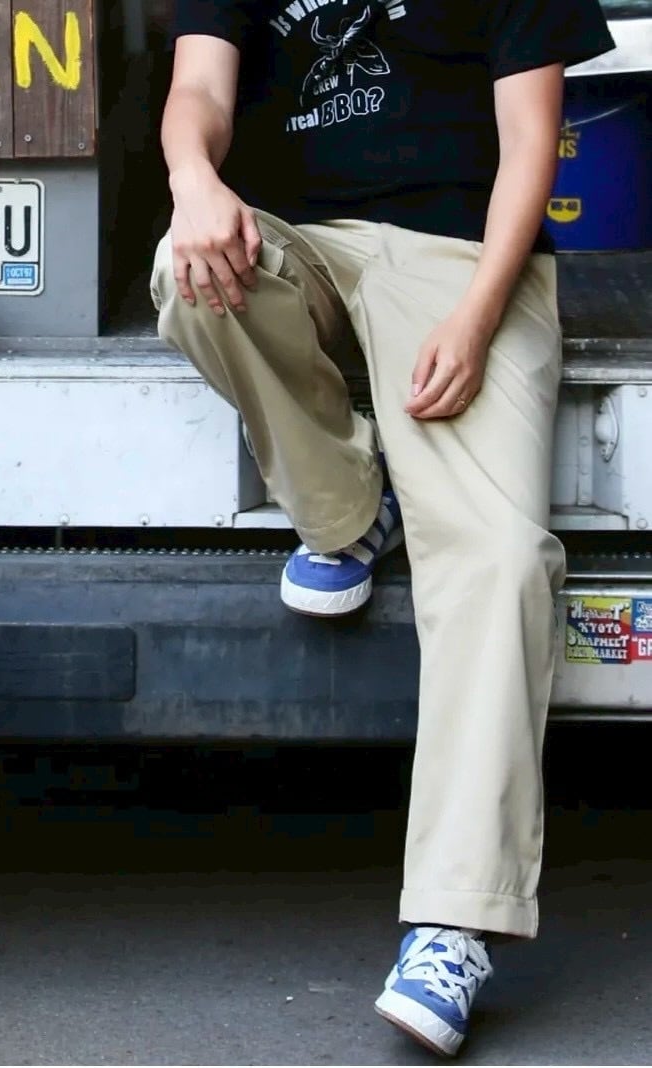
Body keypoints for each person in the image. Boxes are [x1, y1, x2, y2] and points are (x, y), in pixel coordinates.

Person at [150, 0, 615, 1055]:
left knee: (500, 559)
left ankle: (454, 920)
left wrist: (477, 316)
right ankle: (349, 510)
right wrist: (193, 184)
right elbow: (199, 90)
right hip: (294, 241)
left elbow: (529, 140)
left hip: (462, 257)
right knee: (186, 276)